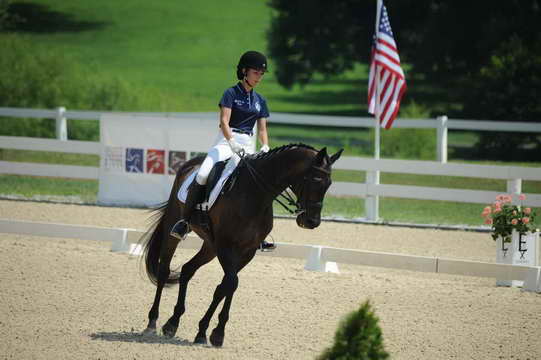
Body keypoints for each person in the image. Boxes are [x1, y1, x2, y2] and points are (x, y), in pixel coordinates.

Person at [171, 50, 275, 250]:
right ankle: (184, 222)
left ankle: (260, 232)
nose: (259, 77)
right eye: (256, 73)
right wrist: (232, 142)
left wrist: (265, 145)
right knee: (202, 173)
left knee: (259, 182)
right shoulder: (231, 94)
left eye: (261, 74)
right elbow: (224, 122)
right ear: (244, 71)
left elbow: (262, 128)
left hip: (248, 145)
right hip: (226, 142)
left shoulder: (260, 100)